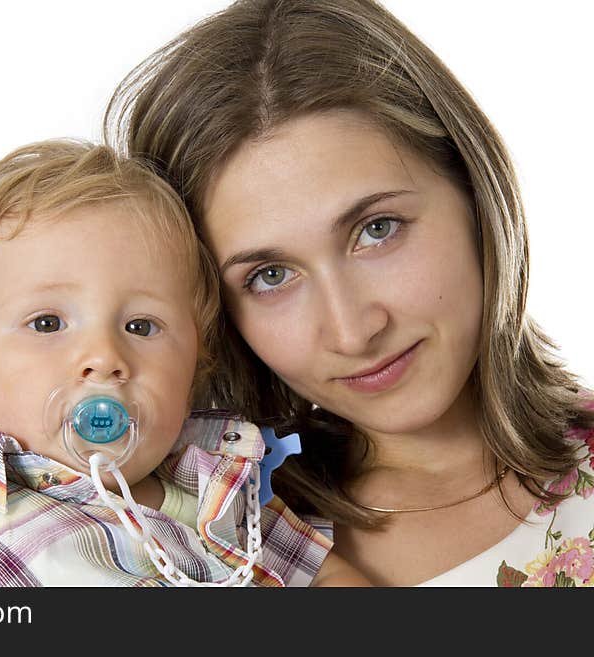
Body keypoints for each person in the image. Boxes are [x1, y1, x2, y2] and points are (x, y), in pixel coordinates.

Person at [106, 0, 594, 586]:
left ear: (473, 193)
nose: (352, 330)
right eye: (270, 275)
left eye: (376, 230)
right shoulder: (181, 552)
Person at [0, 139, 367, 587]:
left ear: (197, 365)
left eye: (141, 326)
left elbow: (328, 580)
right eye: (47, 324)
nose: (105, 358)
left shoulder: (227, 484)